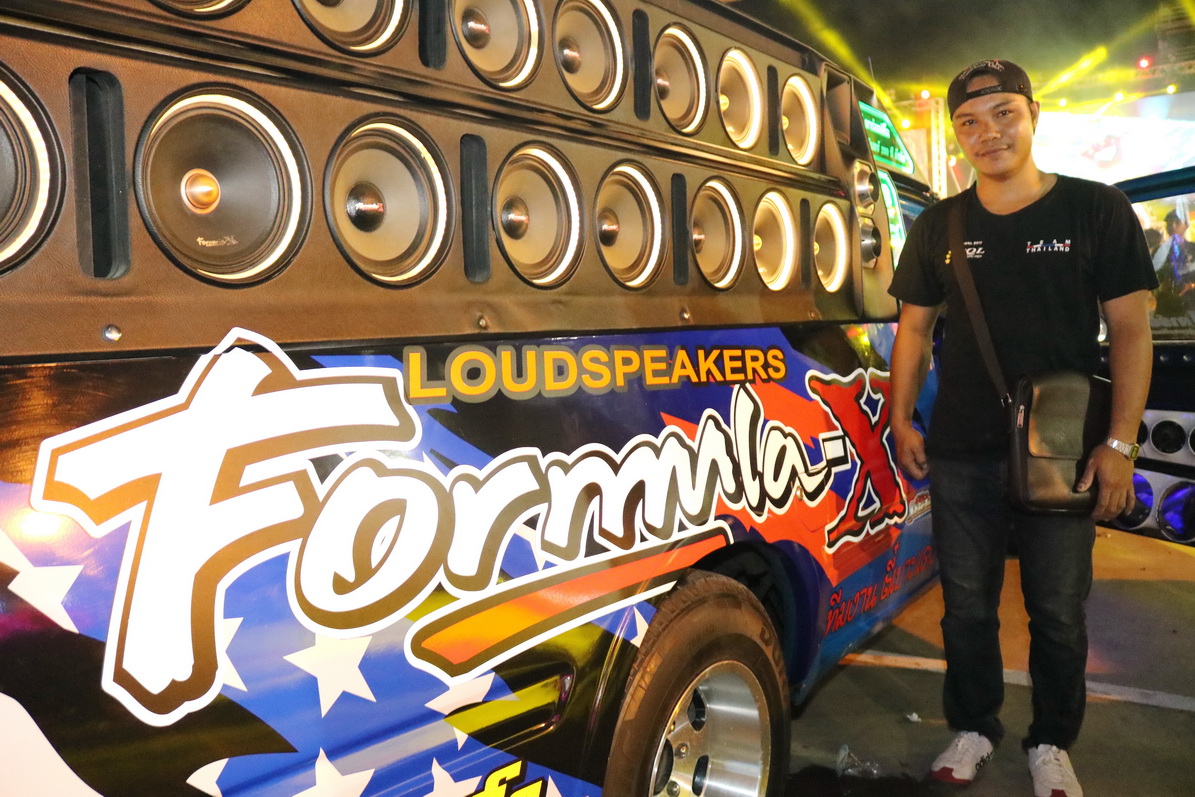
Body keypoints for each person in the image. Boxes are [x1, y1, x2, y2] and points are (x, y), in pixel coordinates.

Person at [887, 59, 1157, 797]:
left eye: (1003, 113)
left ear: (1033, 114)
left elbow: (1131, 332)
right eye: (969, 122)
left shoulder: (1095, 210)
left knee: (1058, 613)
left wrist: (1120, 444)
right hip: (960, 451)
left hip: (1061, 453)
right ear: (957, 135)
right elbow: (913, 331)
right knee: (966, 607)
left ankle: (1051, 741)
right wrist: (901, 416)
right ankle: (974, 726)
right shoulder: (938, 225)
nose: (988, 133)